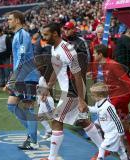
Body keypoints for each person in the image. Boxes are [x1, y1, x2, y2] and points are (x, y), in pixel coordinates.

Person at [40, 23, 103, 160]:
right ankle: (103, 150)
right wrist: (48, 87)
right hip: (67, 91)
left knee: (56, 121)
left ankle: (51, 158)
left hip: (72, 91)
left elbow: (77, 75)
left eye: (46, 34)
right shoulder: (54, 48)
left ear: (55, 34)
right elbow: (57, 69)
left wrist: (81, 99)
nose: (43, 37)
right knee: (83, 121)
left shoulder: (67, 49)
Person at [90, 44, 130, 159]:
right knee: (123, 125)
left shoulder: (113, 65)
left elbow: (128, 82)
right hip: (115, 98)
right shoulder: (103, 65)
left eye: (94, 53)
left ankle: (105, 149)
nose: (93, 55)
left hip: (119, 99)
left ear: (100, 54)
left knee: (102, 122)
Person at [6, 11, 39, 150]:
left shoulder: (23, 35)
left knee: (28, 106)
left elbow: (22, 57)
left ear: (18, 20)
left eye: (10, 19)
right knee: (11, 105)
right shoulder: (18, 35)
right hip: (22, 77)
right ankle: (32, 133)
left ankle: (33, 140)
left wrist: (12, 78)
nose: (8, 21)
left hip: (27, 77)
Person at [88, 82, 128, 160]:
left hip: (114, 132)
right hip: (108, 132)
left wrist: (120, 132)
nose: (92, 96)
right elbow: (95, 109)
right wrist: (87, 107)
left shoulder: (108, 106)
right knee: (121, 150)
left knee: (102, 147)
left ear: (99, 96)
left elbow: (116, 120)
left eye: (93, 95)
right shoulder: (98, 103)